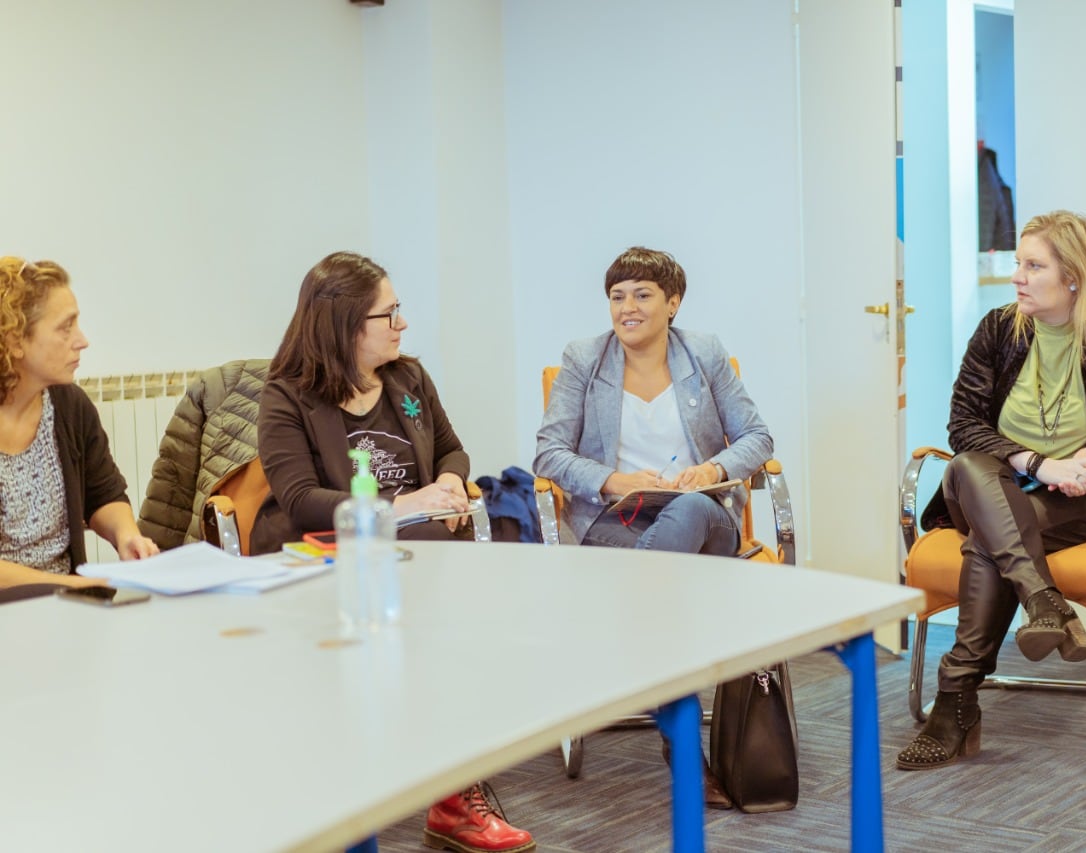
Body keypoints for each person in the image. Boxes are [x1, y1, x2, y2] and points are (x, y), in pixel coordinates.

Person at [253, 251, 534, 853]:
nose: (402, 325)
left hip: (420, 551)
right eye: (390, 314)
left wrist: (453, 483)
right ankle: (423, 795)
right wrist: (406, 505)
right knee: (444, 592)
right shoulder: (287, 397)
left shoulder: (408, 379)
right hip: (330, 558)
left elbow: (453, 449)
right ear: (346, 324)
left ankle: (453, 795)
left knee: (465, 592)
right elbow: (300, 499)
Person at [895, 211, 1086, 771]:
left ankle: (956, 701)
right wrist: (1037, 464)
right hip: (995, 481)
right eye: (1018, 264)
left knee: (986, 548)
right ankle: (1045, 604)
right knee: (969, 465)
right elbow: (963, 423)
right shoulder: (999, 329)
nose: (1016, 276)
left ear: (1073, 275)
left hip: (1076, 499)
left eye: (1032, 265)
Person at [533, 246, 774, 808]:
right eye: (617, 297)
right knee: (674, 599)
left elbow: (757, 437)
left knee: (686, 513)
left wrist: (713, 469)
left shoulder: (705, 353)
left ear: (673, 303)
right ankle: (682, 745)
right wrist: (614, 481)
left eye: (642, 295)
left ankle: (634, 643)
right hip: (615, 519)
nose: (628, 308)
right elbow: (548, 454)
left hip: (703, 515)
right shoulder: (583, 359)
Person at [0, 257, 158, 601]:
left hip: (67, 605)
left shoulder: (70, 405)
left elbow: (104, 494)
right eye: (65, 327)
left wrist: (127, 535)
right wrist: (73, 585)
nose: (82, 340)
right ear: (15, 341)